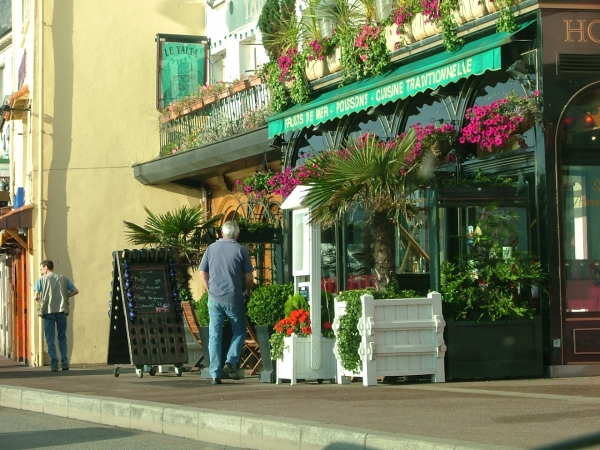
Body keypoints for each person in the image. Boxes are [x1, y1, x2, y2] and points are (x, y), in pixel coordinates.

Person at [199, 221, 254, 385]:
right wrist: (248, 291)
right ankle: (231, 360)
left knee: (215, 335)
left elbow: (202, 273)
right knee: (239, 330)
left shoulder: (211, 248)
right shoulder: (241, 250)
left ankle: (215, 374)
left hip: (214, 298)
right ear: (237, 235)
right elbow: (249, 278)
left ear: (222, 234)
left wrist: (210, 289)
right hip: (233, 297)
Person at [34, 260, 79, 372]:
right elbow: (75, 291)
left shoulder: (41, 280)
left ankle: (54, 363)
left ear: (45, 267)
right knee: (62, 337)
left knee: (50, 338)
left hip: (48, 311)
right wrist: (65, 296)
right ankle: (64, 362)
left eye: (41, 269)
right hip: (61, 310)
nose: (41, 271)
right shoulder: (63, 278)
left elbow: (35, 296)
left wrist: (41, 300)